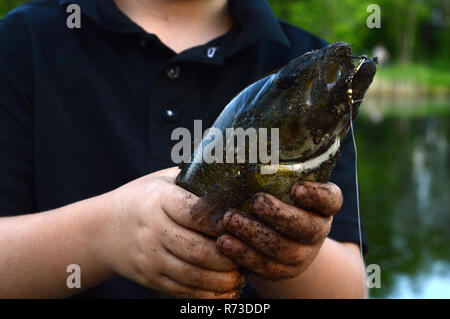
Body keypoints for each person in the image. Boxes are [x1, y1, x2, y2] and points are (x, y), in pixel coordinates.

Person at [0, 0, 367, 298]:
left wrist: (281, 253)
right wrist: (102, 234)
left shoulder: (306, 60)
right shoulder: (22, 41)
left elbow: (350, 291)